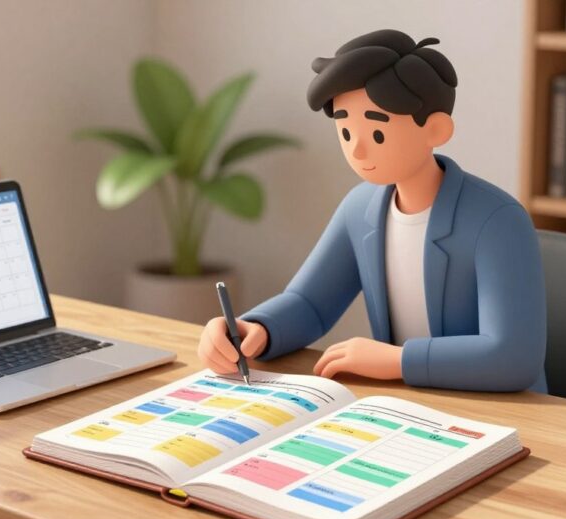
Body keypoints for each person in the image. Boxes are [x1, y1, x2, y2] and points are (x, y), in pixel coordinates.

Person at [197, 30, 548, 393]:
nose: (359, 152)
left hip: (501, 412)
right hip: (408, 403)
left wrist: (398, 361)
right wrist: (259, 329)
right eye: (347, 133)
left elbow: (513, 356)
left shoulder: (497, 221)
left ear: (436, 130)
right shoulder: (360, 208)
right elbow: (311, 303)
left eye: (377, 134)